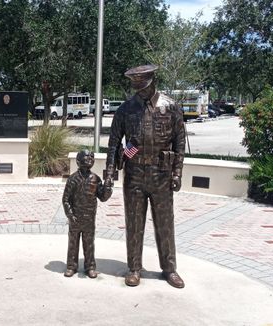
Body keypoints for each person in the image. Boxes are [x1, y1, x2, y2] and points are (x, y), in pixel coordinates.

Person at [104, 64, 186, 288]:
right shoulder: (125, 110)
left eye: (144, 87)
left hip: (161, 174)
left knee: (165, 223)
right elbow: (113, 144)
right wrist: (109, 175)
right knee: (134, 223)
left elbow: (179, 142)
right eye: (137, 87)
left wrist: (177, 172)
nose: (140, 91)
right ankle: (134, 268)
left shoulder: (171, 107)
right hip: (134, 174)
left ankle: (169, 269)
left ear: (153, 83)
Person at [62, 150, 112, 278]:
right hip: (75, 218)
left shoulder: (95, 179)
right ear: (78, 161)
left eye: (92, 156)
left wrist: (107, 188)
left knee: (89, 243)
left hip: (89, 218)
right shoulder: (73, 179)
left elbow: (102, 197)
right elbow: (66, 199)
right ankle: (71, 266)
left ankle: (90, 266)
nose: (90, 158)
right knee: (73, 243)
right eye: (86, 156)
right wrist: (70, 215)